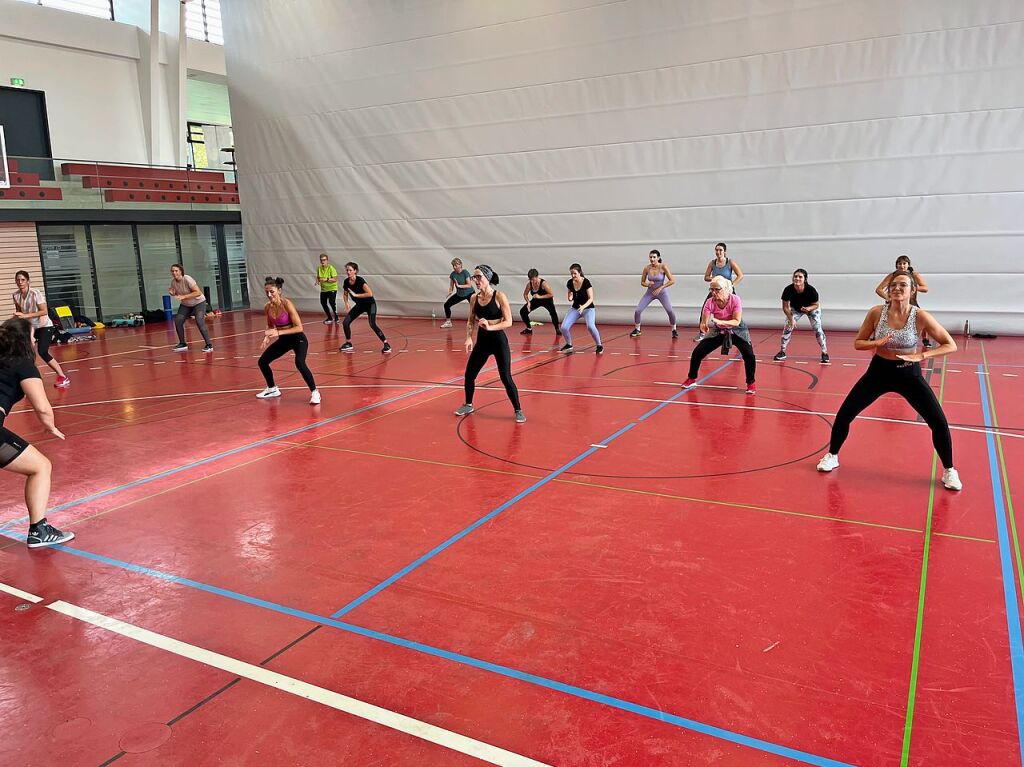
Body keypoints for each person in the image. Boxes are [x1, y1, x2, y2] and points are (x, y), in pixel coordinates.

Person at [817, 272, 961, 490]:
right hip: (879, 372)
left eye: (902, 285)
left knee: (938, 421)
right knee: (845, 414)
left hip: (908, 374)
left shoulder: (920, 316)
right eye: (893, 285)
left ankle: (949, 470)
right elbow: (858, 343)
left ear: (912, 290)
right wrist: (878, 342)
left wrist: (921, 356)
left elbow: (950, 344)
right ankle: (832, 455)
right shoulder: (877, 312)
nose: (896, 288)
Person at [0, 318, 74, 548]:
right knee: (40, 467)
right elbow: (41, 406)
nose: (35, 340)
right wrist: (50, 425)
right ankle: (39, 529)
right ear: (24, 340)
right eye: (33, 336)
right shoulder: (23, 364)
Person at [453, 265, 525, 423]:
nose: (476, 280)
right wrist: (469, 337)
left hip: (499, 342)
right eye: (474, 277)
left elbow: (509, 322)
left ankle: (518, 410)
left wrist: (490, 326)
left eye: (479, 277)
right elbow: (471, 320)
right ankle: (469, 404)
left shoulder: (499, 296)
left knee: (505, 377)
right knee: (469, 375)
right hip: (483, 342)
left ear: (488, 278)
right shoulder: (474, 298)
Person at [681, 276, 756, 394]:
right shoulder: (710, 302)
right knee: (698, 352)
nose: (714, 293)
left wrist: (722, 322)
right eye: (711, 290)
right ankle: (691, 379)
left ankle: (751, 383)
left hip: (737, 329)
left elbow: (736, 320)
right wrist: (703, 326)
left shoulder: (735, 299)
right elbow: (704, 320)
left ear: (727, 289)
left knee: (749, 355)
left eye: (717, 289)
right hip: (719, 330)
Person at [256, 278, 320, 404]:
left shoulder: (287, 304)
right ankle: (272, 389)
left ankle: (315, 392)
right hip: (284, 340)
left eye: (272, 292)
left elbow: (299, 327)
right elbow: (270, 326)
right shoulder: (267, 307)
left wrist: (278, 332)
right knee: (262, 362)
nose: (269, 295)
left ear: (279, 291)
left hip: (298, 338)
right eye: (267, 292)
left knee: (300, 363)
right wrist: (267, 336)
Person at [11, 271, 70, 388]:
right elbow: (20, 312)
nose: (20, 282)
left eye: (22, 280)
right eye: (18, 280)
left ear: (28, 281)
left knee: (42, 352)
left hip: (44, 326)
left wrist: (26, 316)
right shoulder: (16, 295)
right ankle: (30, 380)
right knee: (26, 353)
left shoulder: (35, 293)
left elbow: (44, 311)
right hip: (30, 326)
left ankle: (63, 377)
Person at [773, 269, 829, 363]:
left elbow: (816, 305)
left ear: (805, 279)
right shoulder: (788, 290)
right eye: (795, 276)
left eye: (800, 277)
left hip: (811, 308)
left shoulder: (811, 290)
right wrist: (791, 319)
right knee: (787, 327)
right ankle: (782, 351)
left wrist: (808, 309)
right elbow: (785, 307)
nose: (797, 278)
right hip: (796, 309)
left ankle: (825, 352)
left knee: (817, 328)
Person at [875, 255, 932, 347]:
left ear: (908, 265)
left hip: (911, 302)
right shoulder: (892, 275)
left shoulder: (914, 275)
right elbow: (879, 289)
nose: (902, 266)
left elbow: (925, 288)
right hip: (894, 302)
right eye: (899, 264)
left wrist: (908, 285)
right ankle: (877, 336)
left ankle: (925, 339)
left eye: (904, 263)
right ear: (896, 265)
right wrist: (888, 298)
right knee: (884, 319)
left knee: (922, 318)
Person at [339, 262, 391, 354]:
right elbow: (345, 293)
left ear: (355, 271)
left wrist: (356, 295)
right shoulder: (346, 282)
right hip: (360, 305)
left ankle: (386, 345)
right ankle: (348, 343)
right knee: (345, 322)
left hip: (370, 304)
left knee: (372, 324)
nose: (348, 272)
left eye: (350, 270)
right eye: (347, 270)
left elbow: (370, 293)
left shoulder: (360, 281)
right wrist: (346, 303)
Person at [696, 243, 743, 341]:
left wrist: (731, 284)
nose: (718, 252)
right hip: (716, 290)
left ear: (724, 251)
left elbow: (740, 275)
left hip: (727, 291)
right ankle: (702, 333)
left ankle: (739, 334)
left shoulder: (730, 262)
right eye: (716, 250)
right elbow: (706, 277)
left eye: (720, 250)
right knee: (705, 309)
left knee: (735, 312)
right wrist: (714, 279)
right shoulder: (712, 263)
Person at [630, 249, 678, 338]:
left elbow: (672, 280)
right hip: (650, 292)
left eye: (654, 257)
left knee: (670, 311)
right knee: (638, 311)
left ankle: (674, 330)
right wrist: (647, 284)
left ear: (658, 258)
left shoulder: (663, 267)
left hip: (661, 292)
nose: (652, 259)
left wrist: (661, 287)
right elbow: (642, 282)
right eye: (650, 257)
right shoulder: (647, 268)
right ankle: (637, 329)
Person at [559, 264, 603, 353]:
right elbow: (570, 297)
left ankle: (599, 345)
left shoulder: (586, 282)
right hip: (575, 308)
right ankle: (569, 344)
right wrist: (570, 297)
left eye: (574, 273)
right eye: (571, 273)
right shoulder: (570, 283)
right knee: (564, 327)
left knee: (590, 326)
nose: (573, 275)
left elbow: (591, 298)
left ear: (579, 273)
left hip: (588, 308)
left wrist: (583, 306)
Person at [169, 263, 213, 352]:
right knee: (178, 320)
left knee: (199, 320)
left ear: (181, 271)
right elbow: (179, 294)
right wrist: (173, 294)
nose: (174, 273)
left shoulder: (187, 279)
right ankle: (182, 344)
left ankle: (209, 345)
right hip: (186, 304)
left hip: (198, 302)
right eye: (172, 271)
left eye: (176, 271)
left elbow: (198, 292)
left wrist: (184, 297)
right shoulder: (173, 282)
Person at [519, 269, 561, 335]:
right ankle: (529, 328)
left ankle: (557, 328)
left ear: (537, 277)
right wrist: (528, 302)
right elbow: (525, 294)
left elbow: (551, 294)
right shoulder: (529, 284)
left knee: (553, 313)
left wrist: (539, 296)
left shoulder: (544, 284)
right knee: (523, 311)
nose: (533, 281)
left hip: (547, 300)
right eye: (531, 280)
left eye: (534, 279)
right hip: (536, 300)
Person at [440, 258, 473, 329]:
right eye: (453, 266)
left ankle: (486, 320)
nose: (454, 267)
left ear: (460, 265)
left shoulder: (465, 272)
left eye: (455, 265)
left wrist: (459, 286)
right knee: (446, 305)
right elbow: (451, 285)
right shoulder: (453, 274)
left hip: (469, 293)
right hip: (460, 294)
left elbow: (469, 285)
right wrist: (450, 291)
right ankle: (448, 322)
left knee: (476, 307)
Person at [315, 253, 339, 324]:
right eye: (321, 260)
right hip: (324, 289)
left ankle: (336, 316)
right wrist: (317, 281)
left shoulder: (331, 268)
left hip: (332, 289)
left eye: (324, 260)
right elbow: (318, 277)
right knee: (323, 303)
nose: (323, 262)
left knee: (332, 302)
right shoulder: (319, 268)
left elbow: (335, 279)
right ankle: (329, 318)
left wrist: (326, 279)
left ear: (327, 260)